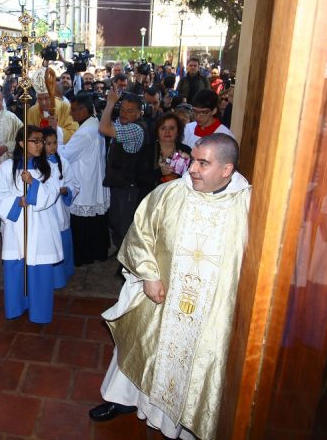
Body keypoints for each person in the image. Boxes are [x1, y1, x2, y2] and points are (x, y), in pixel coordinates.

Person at [90, 133, 251, 440]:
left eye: (204, 163)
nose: (192, 169)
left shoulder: (248, 205)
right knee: (142, 346)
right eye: (193, 160)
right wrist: (148, 274)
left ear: (227, 170)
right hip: (161, 297)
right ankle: (123, 400)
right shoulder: (170, 194)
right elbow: (141, 234)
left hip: (210, 310)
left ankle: (188, 425)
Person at [0, 126, 63, 324]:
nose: (40, 145)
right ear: (22, 143)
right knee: (16, 265)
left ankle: (39, 312)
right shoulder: (7, 167)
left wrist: (33, 184)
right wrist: (17, 202)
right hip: (17, 226)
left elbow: (52, 193)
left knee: (39, 268)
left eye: (42, 141)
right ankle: (16, 306)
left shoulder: (49, 166)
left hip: (41, 226)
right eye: (35, 141)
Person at [61, 92, 110, 267]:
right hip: (93, 179)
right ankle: (98, 252)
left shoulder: (85, 132)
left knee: (83, 223)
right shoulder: (94, 124)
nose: (71, 114)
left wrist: (56, 138)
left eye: (74, 110)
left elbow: (66, 155)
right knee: (95, 221)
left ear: (83, 110)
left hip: (85, 182)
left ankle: (83, 256)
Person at [99, 87, 151, 252]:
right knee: (116, 224)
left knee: (125, 228)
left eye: (130, 111)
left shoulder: (135, 129)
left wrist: (110, 103)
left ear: (139, 113)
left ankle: (127, 266)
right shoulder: (125, 125)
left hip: (129, 189)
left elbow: (103, 129)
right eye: (122, 109)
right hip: (120, 186)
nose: (124, 114)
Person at [41, 126, 79, 288]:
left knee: (63, 244)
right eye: (48, 143)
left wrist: (67, 190)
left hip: (60, 211)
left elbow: (74, 183)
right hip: (45, 212)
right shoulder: (38, 164)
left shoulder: (63, 162)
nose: (52, 146)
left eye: (55, 143)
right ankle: (48, 276)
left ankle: (63, 274)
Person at [27, 68, 79, 144]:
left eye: (46, 98)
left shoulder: (66, 108)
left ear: (52, 96)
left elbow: (74, 134)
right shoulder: (32, 111)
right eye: (40, 99)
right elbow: (28, 134)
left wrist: (57, 129)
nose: (43, 103)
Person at [152, 113, 191, 186]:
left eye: (172, 128)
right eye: (163, 128)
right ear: (157, 131)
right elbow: (139, 179)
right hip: (152, 194)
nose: (167, 132)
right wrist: (160, 172)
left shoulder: (186, 150)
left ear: (178, 131)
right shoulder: (148, 150)